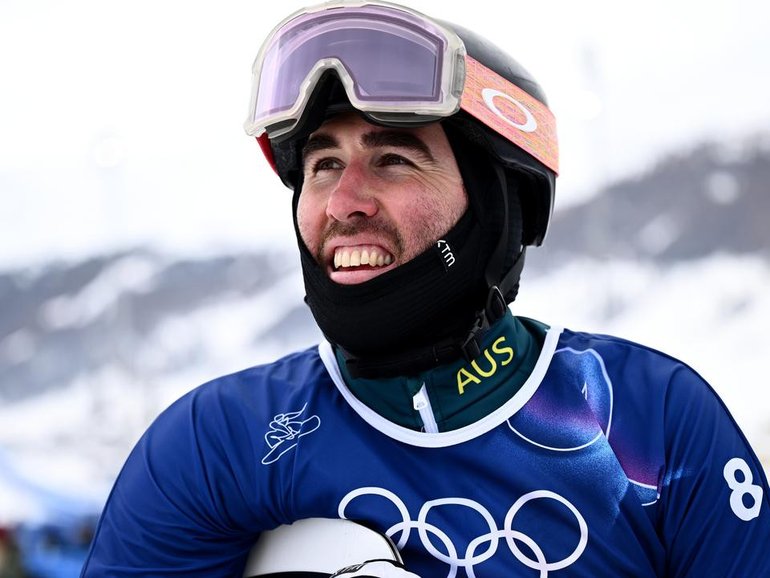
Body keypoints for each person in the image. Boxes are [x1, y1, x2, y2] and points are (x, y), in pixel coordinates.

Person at [80, 1, 770, 576]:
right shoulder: (218, 443)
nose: (344, 201)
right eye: (322, 165)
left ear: (498, 204)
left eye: (392, 159)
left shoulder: (649, 418)